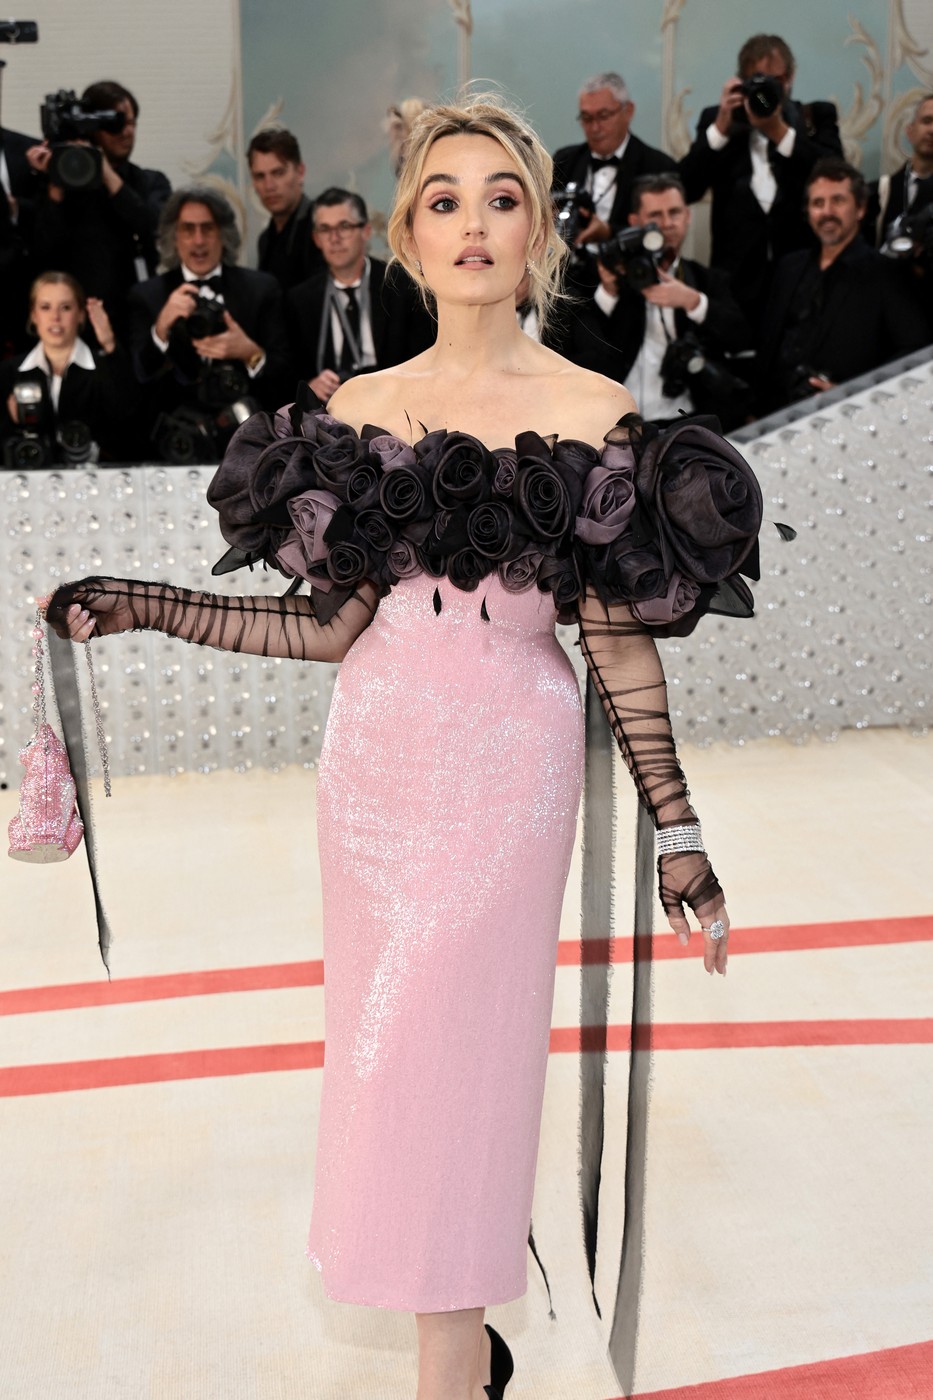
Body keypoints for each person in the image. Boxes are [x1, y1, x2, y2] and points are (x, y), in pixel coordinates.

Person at [43, 97, 739, 1400]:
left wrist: (680, 830)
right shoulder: (360, 404)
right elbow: (327, 628)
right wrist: (143, 604)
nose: (473, 223)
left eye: (501, 198)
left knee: (462, 1051)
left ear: (536, 233)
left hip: (512, 769)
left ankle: (447, 1358)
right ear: (407, 238)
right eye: (443, 199)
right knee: (388, 1054)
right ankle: (458, 1343)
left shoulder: (597, 409)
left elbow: (618, 642)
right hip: (375, 765)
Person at [553, 173, 753, 427]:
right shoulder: (599, 275)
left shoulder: (706, 280)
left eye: (674, 213)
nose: (667, 224)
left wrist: (693, 302)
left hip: (687, 419)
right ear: (634, 222)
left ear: (688, 216)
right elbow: (583, 350)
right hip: (617, 421)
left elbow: (741, 337)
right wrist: (609, 292)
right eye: (655, 216)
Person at [678, 34, 842, 329]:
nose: (768, 91)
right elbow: (685, 189)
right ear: (741, 82)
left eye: (776, 81)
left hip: (802, 274)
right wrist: (719, 130)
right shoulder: (719, 119)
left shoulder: (815, 117)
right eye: (758, 82)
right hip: (735, 281)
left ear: (790, 77)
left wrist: (778, 130)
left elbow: (835, 175)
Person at [128, 186, 292, 458]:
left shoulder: (261, 289)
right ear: (174, 236)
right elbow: (137, 380)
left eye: (208, 229)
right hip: (173, 446)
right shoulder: (147, 296)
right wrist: (161, 328)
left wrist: (249, 353)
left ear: (223, 234)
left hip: (249, 446)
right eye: (188, 229)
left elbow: (286, 378)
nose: (198, 240)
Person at [759, 157, 931, 411]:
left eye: (838, 200)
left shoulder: (887, 273)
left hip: (844, 413)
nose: (827, 212)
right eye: (818, 203)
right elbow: (767, 342)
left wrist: (853, 393)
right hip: (773, 411)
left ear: (860, 209)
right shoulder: (789, 267)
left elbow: (914, 351)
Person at [30, 80, 171, 344]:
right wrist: (55, 181)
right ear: (92, 129)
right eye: (116, 124)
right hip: (74, 327)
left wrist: (104, 171)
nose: (127, 132)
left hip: (135, 322)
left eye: (132, 123)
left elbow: (154, 228)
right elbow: (43, 250)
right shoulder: (62, 190)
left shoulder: (151, 182)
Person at [285, 186, 433, 400]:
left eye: (344, 226)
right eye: (325, 229)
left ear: (366, 231)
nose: (334, 238)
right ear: (316, 239)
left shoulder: (403, 285)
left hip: (396, 402)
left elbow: (425, 358)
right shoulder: (300, 300)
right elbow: (288, 373)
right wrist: (309, 386)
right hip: (329, 409)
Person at [552, 71, 676, 290]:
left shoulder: (657, 165)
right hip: (569, 281)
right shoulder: (565, 160)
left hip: (632, 282)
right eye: (587, 118)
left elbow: (665, 235)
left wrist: (609, 232)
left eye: (603, 116)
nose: (594, 127)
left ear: (628, 111)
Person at [0, 270, 138, 464]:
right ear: (34, 315)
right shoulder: (8, 372)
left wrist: (109, 344)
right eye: (45, 307)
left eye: (65, 308)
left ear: (81, 314)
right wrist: (14, 423)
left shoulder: (105, 367)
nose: (55, 317)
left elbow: (128, 419)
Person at [248, 127, 324, 291]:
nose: (269, 186)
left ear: (300, 172)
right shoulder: (265, 239)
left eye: (278, 173)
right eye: (260, 176)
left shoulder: (323, 228)